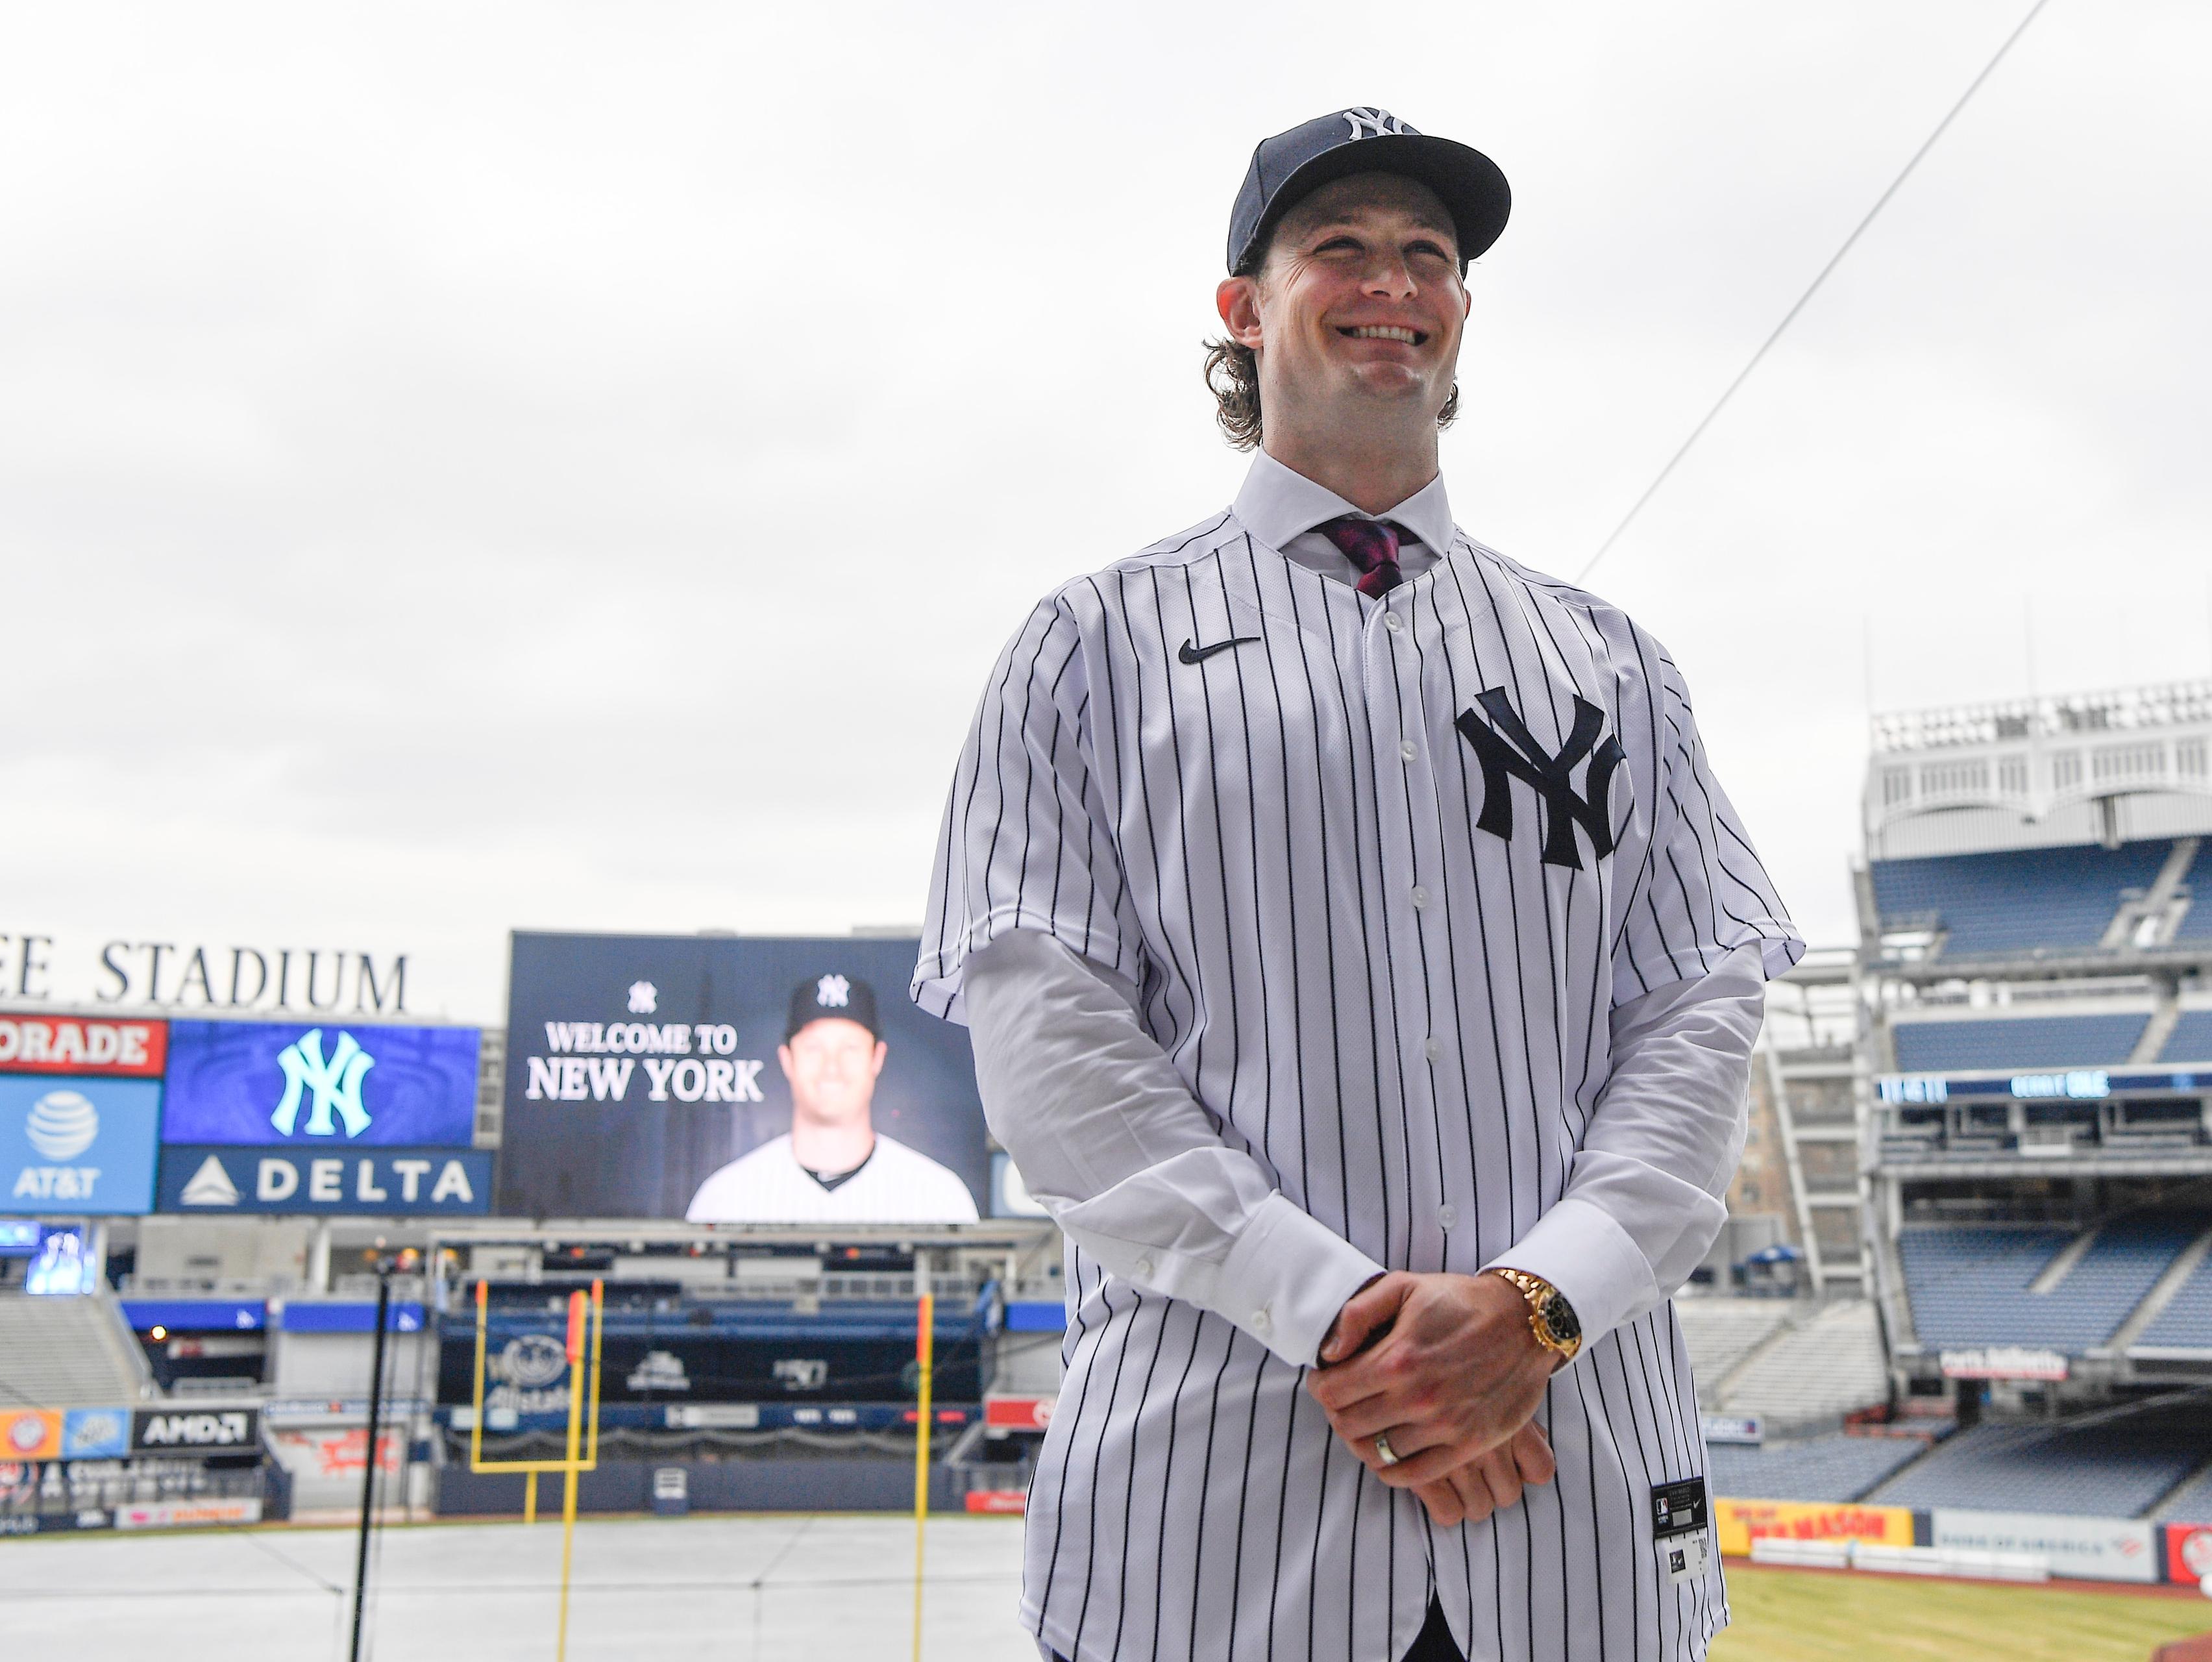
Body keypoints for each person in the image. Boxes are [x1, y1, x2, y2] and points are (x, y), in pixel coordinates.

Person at [913, 105, 1802, 1662]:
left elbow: (1692, 1020)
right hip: (1215, 1511)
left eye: (1428, 255)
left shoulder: (1608, 661)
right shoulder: (1089, 644)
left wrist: (1534, 1308)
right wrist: (1346, 1316)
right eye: (1339, 246)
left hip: (1574, 1489)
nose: (1392, 279)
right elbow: (1051, 1048)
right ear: (1241, 309)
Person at [684, 974, 979, 1223]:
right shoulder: (725, 1197)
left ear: (877, 1058)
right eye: (814, 1048)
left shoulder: (938, 1196)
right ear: (787, 1060)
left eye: (850, 1048)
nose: (832, 1067)